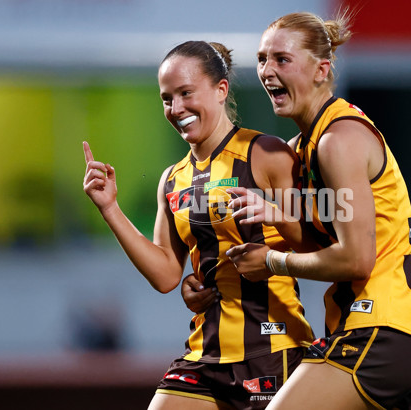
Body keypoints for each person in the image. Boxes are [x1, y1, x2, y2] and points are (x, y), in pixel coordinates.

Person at [182, 12, 411, 410]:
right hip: (385, 337)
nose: (266, 71)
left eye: (282, 60)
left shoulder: (337, 141)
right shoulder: (303, 147)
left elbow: (356, 260)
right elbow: (313, 248)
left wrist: (271, 260)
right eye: (261, 59)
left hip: (379, 331)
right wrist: (212, 281)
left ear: (322, 70)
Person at [83, 40, 314, 410]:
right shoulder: (171, 180)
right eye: (166, 98)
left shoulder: (268, 154)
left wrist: (271, 245)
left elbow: (318, 243)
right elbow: (165, 275)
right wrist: (110, 208)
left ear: (221, 90)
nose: (176, 109)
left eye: (186, 93)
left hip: (274, 351)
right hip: (204, 356)